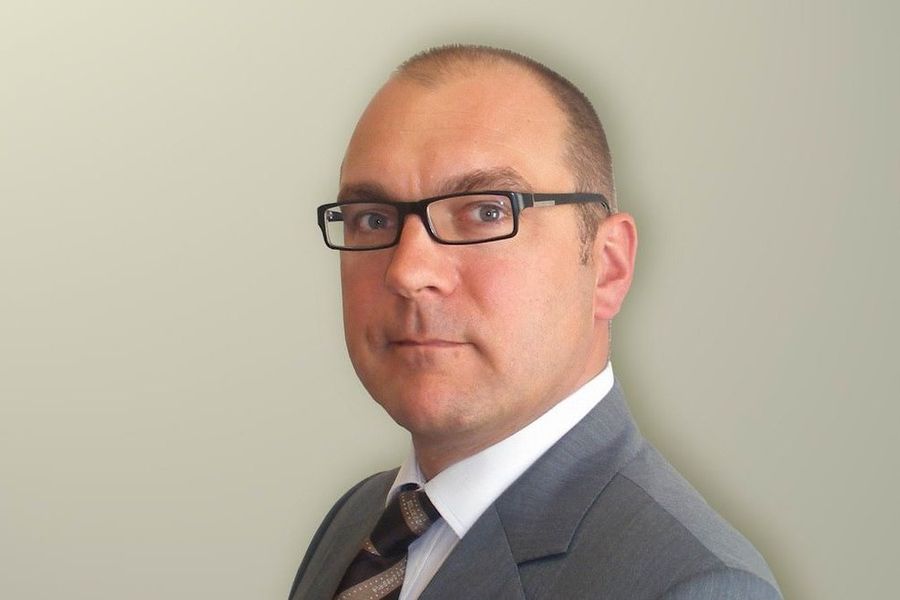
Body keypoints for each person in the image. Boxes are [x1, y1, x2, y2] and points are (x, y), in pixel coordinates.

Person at [289, 44, 782, 600]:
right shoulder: (358, 525)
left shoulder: (694, 585)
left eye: (486, 212)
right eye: (373, 220)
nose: (408, 271)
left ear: (608, 266)